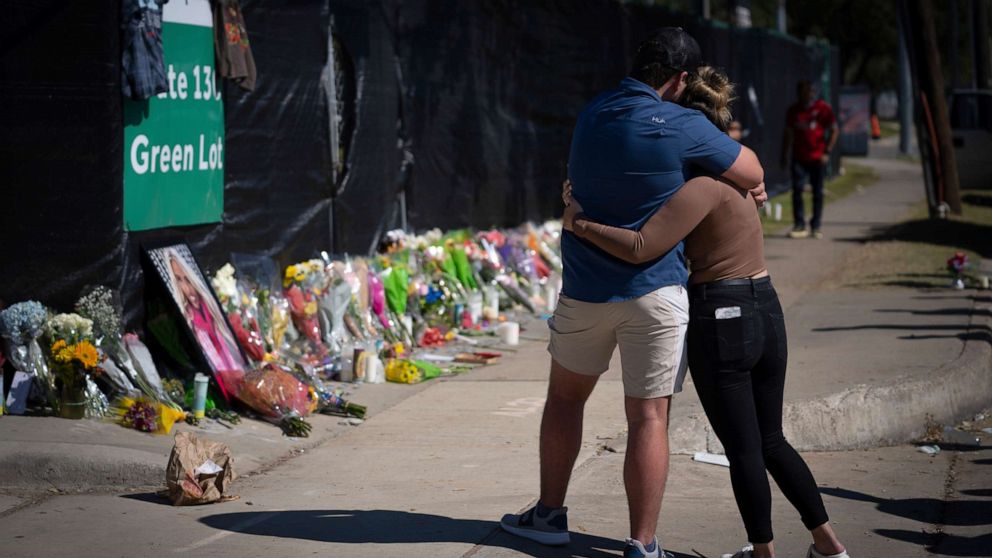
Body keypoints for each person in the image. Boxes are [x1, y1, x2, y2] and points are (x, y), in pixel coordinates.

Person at [561, 67, 849, 558]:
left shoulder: (700, 187)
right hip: (766, 306)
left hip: (722, 313)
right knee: (772, 440)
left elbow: (640, 245)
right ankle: (829, 545)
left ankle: (763, 553)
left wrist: (580, 222)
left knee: (743, 449)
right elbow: (748, 183)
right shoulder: (740, 182)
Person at [499, 28, 766, 558]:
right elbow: (752, 171)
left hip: (585, 288)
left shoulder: (592, 113)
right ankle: (642, 544)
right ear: (681, 80)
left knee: (565, 399)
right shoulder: (685, 124)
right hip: (656, 290)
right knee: (648, 417)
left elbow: (580, 183)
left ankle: (549, 514)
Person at [164, 249, 246, 395]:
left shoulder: (213, 312)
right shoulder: (189, 321)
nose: (187, 289)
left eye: (187, 278)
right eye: (179, 280)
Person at [781, 79, 838, 239]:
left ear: (813, 93)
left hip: (817, 157)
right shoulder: (793, 111)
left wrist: (827, 151)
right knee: (797, 190)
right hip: (799, 157)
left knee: (817, 192)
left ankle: (816, 225)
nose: (806, 96)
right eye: (802, 93)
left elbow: (834, 130)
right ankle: (799, 224)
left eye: (809, 93)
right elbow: (788, 134)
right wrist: (784, 155)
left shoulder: (822, 109)